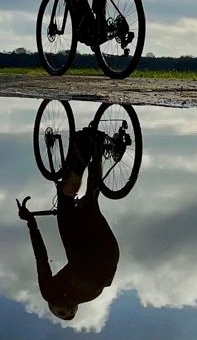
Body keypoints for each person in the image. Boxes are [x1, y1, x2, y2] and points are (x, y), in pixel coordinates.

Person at [16, 122, 121, 322]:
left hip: (109, 254)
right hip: (87, 260)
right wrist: (31, 223)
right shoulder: (50, 294)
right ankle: (82, 157)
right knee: (65, 201)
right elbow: (42, 259)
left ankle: (97, 148)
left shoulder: (90, 296)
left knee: (91, 200)